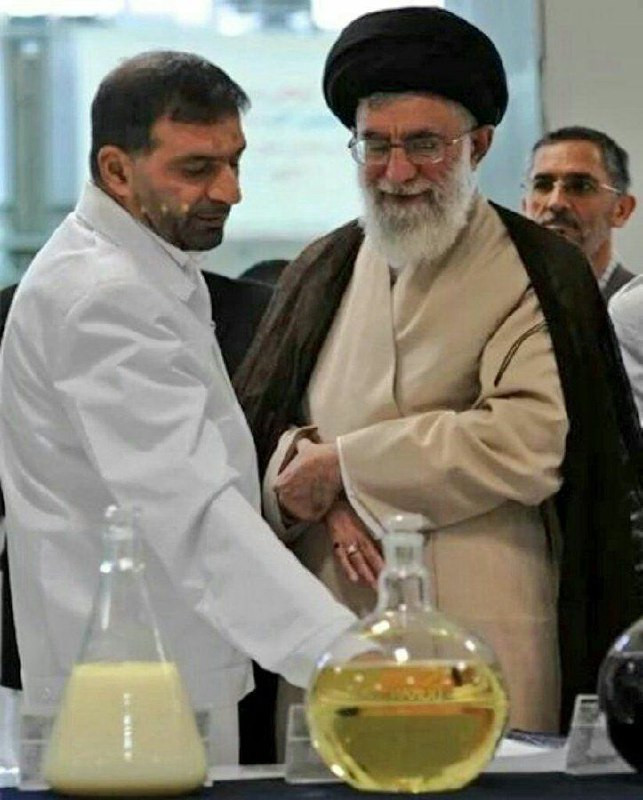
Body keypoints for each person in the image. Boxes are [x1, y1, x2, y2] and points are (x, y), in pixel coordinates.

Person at [235, 7, 643, 736]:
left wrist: (343, 464)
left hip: (486, 614)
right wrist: (309, 489)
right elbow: (263, 432)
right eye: (376, 145)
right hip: (335, 619)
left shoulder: (536, 269)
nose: (397, 172)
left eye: (424, 144)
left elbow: (527, 438)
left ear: (477, 145)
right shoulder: (321, 268)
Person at [0, 50, 356, 765]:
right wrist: (344, 655)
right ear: (116, 170)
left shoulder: (137, 266)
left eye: (235, 162)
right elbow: (191, 508)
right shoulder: (104, 295)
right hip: (130, 683)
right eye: (196, 168)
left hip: (152, 663)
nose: (229, 190)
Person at [523, 126, 637, 301]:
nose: (556, 202)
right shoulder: (501, 306)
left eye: (580, 186)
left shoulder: (636, 311)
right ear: (525, 206)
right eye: (542, 185)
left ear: (621, 210)